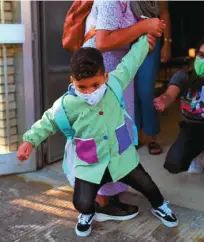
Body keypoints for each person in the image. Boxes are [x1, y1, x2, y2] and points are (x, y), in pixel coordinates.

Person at [17, 35, 178, 237]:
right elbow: (47, 122)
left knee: (149, 187)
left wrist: (146, 40)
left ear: (106, 76)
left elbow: (132, 60)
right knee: (81, 202)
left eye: (95, 84)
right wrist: (29, 141)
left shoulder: (115, 83)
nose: (89, 92)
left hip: (122, 157)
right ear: (72, 81)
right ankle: (88, 213)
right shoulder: (66, 105)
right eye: (82, 87)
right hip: (91, 163)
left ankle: (160, 206)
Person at [81, 0, 165, 220]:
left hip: (114, 76)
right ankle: (101, 202)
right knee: (106, 139)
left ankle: (107, 195)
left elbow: (120, 34)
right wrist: (143, 28)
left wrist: (141, 41)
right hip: (103, 78)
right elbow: (102, 41)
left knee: (117, 137)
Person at [153, 35, 204, 203]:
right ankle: (197, 152)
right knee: (173, 165)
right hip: (191, 128)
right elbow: (171, 93)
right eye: (200, 55)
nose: (203, 60)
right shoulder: (184, 76)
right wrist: (164, 99)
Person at [133, 1, 172, 155]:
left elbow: (164, 13)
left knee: (146, 91)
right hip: (123, 41)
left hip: (150, 38)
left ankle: (151, 136)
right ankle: (134, 136)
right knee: (130, 91)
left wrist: (167, 43)